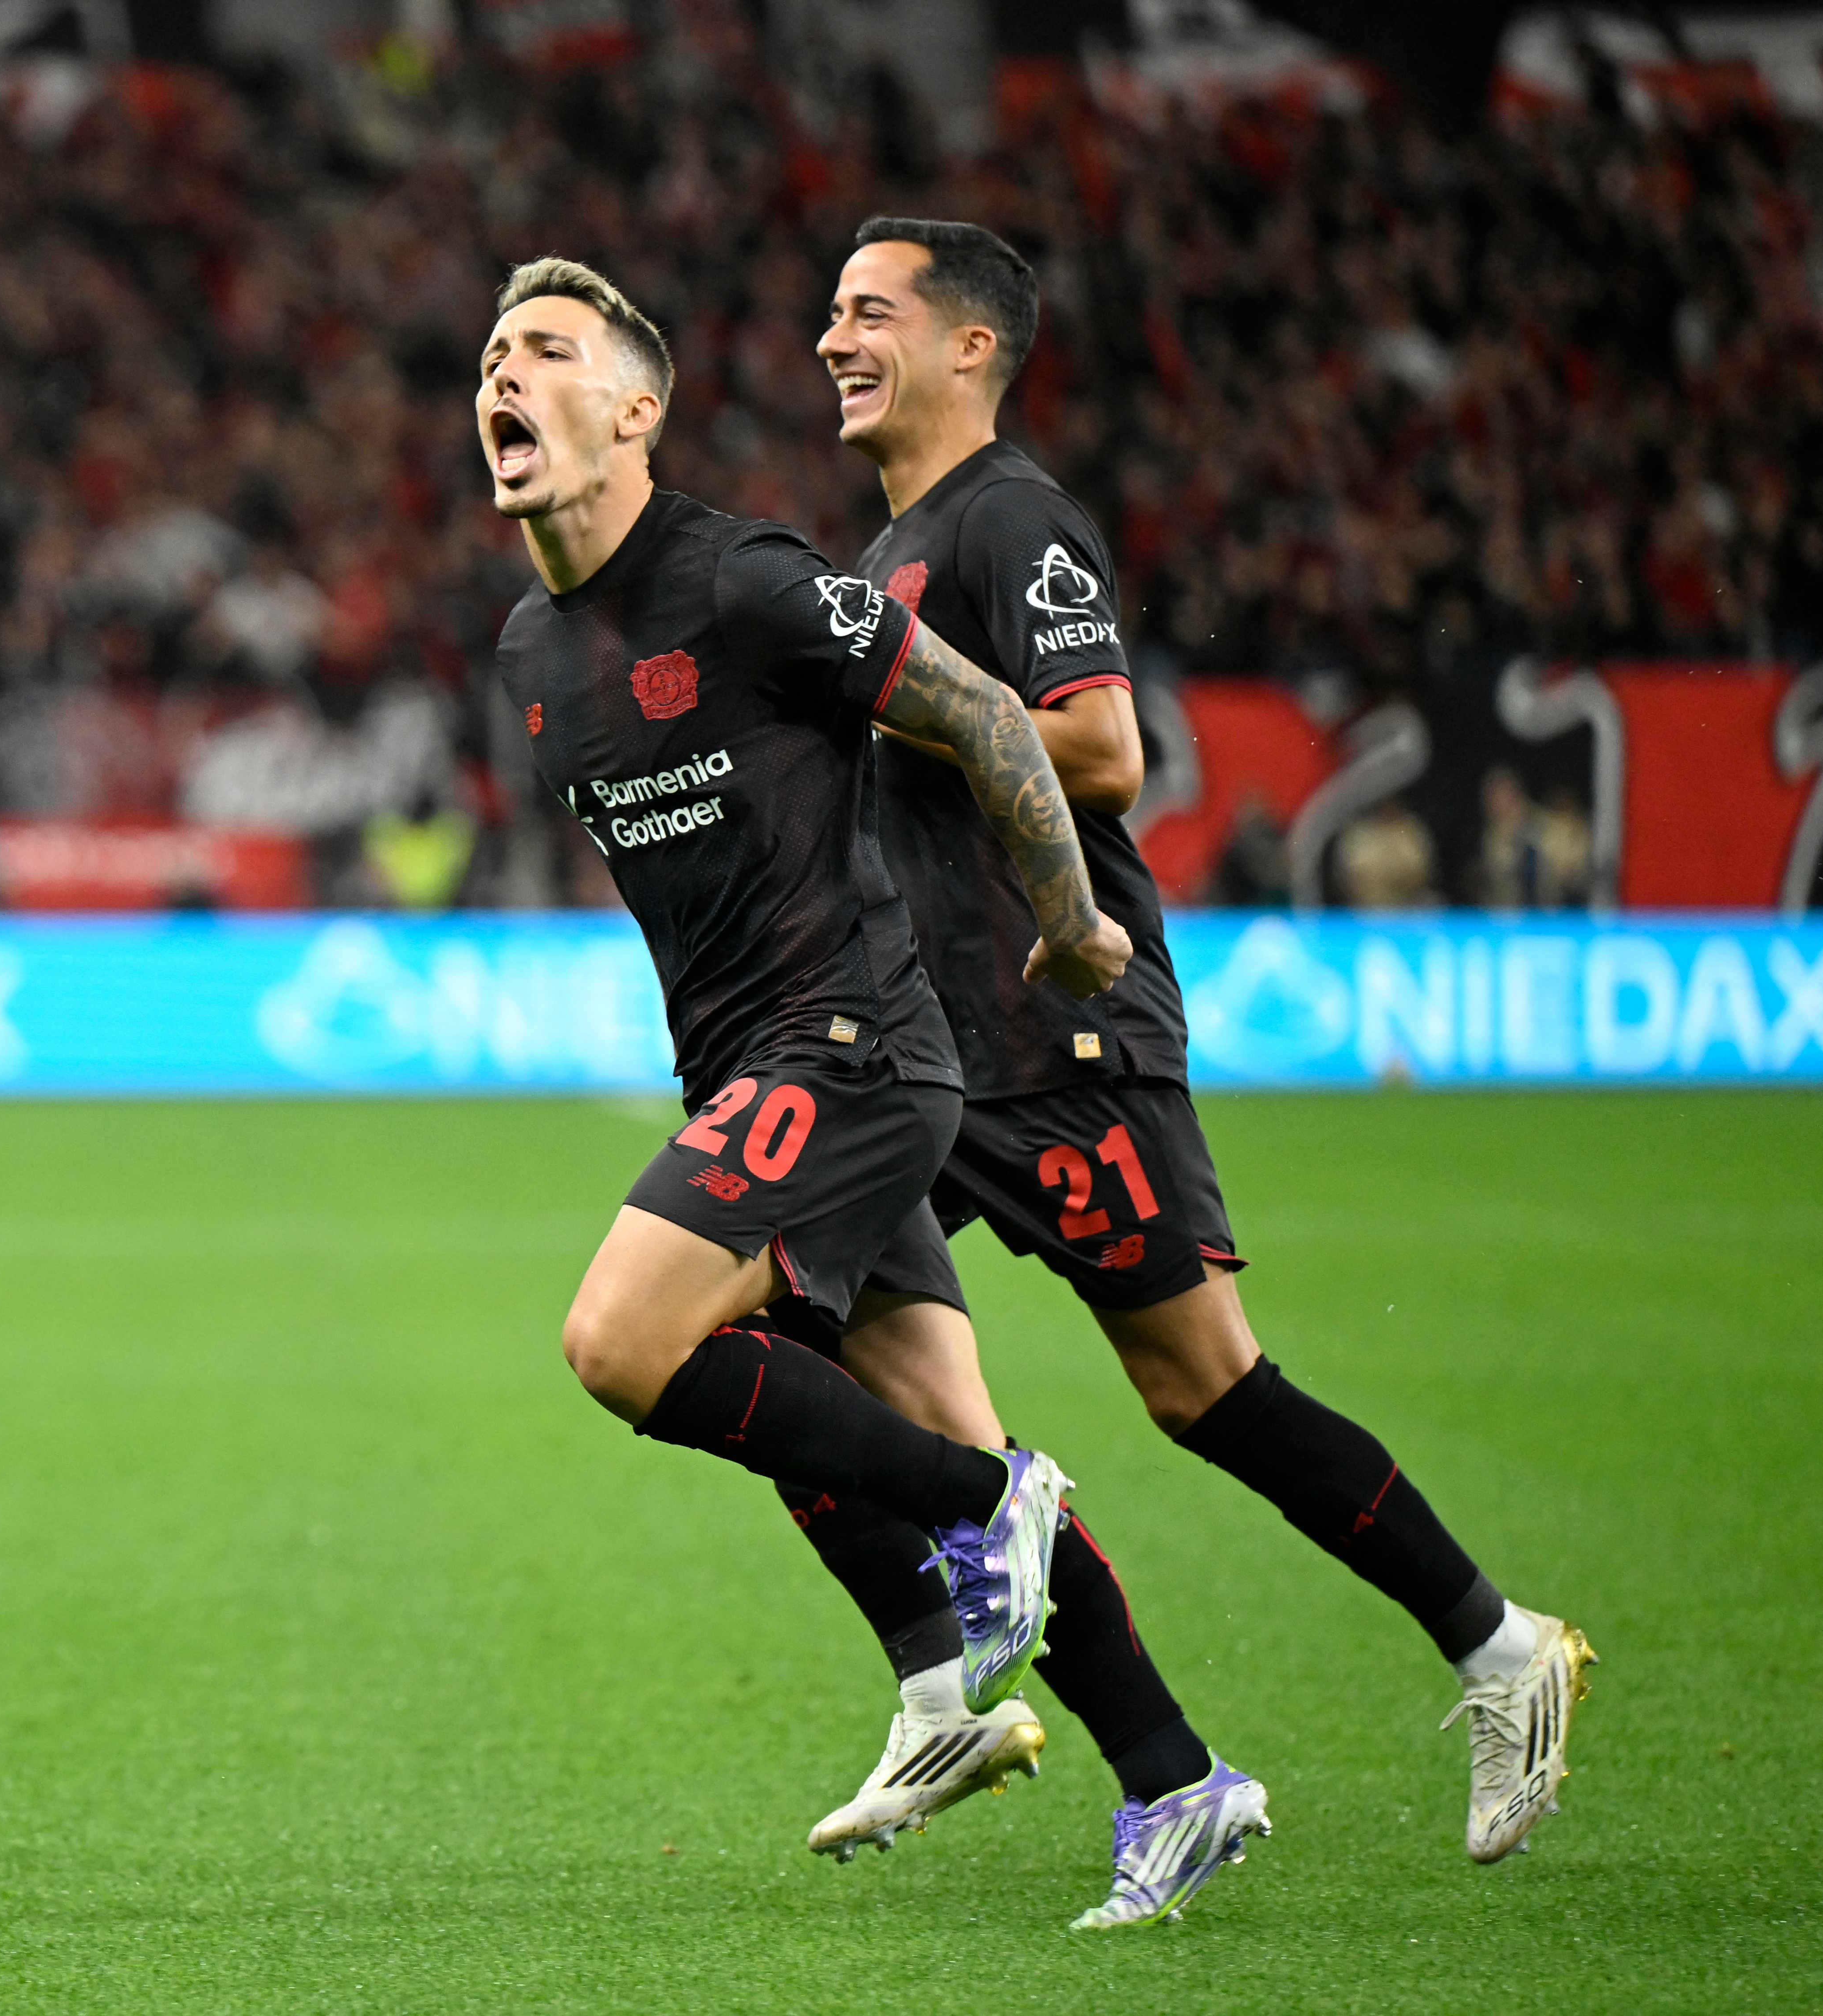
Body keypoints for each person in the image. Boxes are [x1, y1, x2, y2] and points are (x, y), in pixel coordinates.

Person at [479, 257, 1264, 1924]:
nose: (502, 374)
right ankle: (1170, 1776)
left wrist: (1072, 927)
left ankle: (982, 1529)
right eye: (488, 355)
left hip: (847, 1052)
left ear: (634, 411)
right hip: (758, 1060)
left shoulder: (747, 577)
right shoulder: (529, 652)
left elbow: (982, 708)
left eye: (545, 350)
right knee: (854, 1395)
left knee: (624, 1341)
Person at [812, 216, 1593, 1871]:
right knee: (772, 1322)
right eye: (830, 312)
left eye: (869, 312)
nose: (832, 338)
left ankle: (1497, 1644)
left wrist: (906, 716)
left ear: (972, 346)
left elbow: (1102, 743)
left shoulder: (1007, 517)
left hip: (1056, 1032)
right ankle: (961, 1684)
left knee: (1205, 1389)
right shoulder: (883, 550)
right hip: (928, 1050)